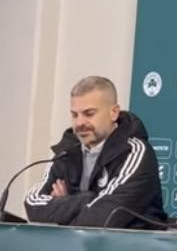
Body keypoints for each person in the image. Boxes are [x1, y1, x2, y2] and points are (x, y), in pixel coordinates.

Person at [24, 76, 166, 228]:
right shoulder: (65, 153)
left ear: (114, 113)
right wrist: (88, 199)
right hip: (74, 243)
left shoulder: (135, 152)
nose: (79, 123)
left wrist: (63, 203)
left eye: (89, 113)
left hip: (130, 243)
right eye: (74, 115)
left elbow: (106, 218)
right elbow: (32, 204)